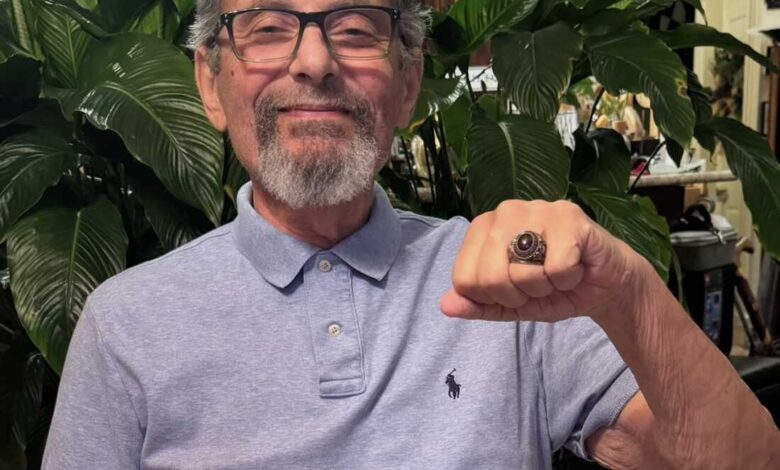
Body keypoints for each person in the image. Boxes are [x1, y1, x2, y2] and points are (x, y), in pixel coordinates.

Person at [43, 1, 780, 468]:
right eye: (267, 27)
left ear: (406, 83)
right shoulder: (126, 326)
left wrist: (629, 295)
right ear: (209, 82)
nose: (313, 61)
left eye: (356, 29)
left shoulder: (512, 290)